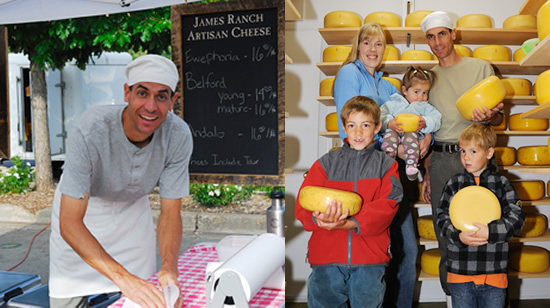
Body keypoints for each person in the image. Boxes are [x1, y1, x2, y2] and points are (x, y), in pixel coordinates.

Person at [49, 54, 193, 307]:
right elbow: (70, 224)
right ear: (127, 93)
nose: (151, 106)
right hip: (81, 215)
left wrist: (170, 268)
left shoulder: (178, 135)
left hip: (133, 220)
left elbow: (171, 213)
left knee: (143, 298)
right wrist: (124, 279)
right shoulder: (90, 130)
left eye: (161, 96)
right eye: (142, 93)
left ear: (173, 101)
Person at [333, 22, 423, 308]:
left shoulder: (387, 85)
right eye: (367, 42)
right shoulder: (349, 73)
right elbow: (351, 121)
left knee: (406, 249)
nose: (373, 49)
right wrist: (389, 126)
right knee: (368, 248)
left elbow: (410, 117)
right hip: (362, 166)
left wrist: (423, 134)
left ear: (385, 49)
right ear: (358, 45)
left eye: (379, 44)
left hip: (389, 167)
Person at [419, 11, 504, 302]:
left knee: (490, 225)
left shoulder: (480, 67)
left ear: (454, 33)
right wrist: (427, 172)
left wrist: (490, 116)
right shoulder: (428, 78)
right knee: (448, 233)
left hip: (478, 157)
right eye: (431, 36)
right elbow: (427, 131)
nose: (437, 42)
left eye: (442, 34)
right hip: (442, 160)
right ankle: (453, 298)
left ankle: (490, 297)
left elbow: (497, 120)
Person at [295, 96, 403, 308]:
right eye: (352, 126)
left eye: (365, 125)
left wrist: (352, 223)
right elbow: (303, 204)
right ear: (343, 127)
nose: (358, 133)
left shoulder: (387, 165)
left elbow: (389, 204)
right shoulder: (325, 163)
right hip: (326, 257)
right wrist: (318, 220)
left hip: (370, 259)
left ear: (377, 127)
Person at [435, 123, 524, 308]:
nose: (466, 157)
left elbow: (517, 218)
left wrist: (491, 232)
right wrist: (457, 236)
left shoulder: (501, 183)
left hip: (493, 271)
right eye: (462, 151)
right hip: (460, 272)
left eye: (473, 151)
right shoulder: (453, 184)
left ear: (489, 153)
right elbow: (441, 218)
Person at [380, 66, 441, 181]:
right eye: (416, 92)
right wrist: (389, 123)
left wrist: (425, 123)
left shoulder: (425, 107)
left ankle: (411, 166)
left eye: (425, 92)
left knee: (411, 138)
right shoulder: (393, 102)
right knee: (389, 138)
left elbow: (437, 119)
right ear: (405, 90)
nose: (421, 97)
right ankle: (387, 165)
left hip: (413, 134)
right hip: (394, 131)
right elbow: (380, 115)